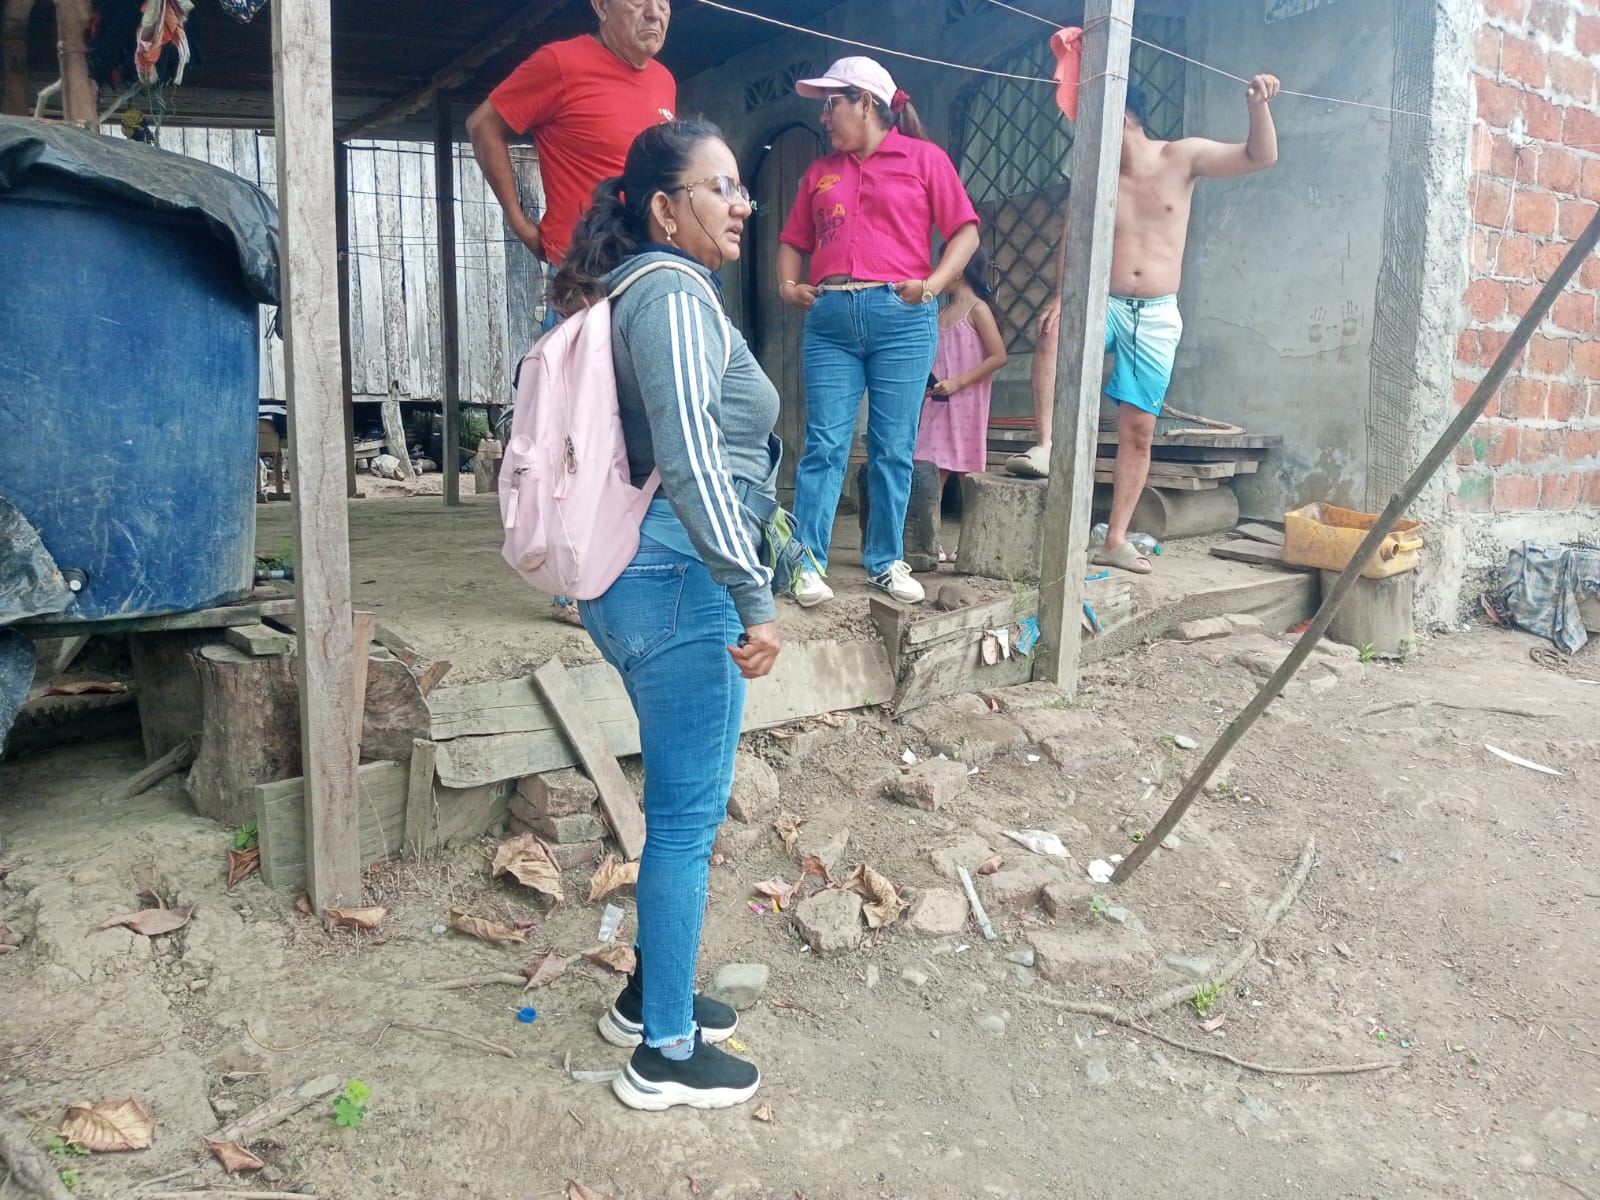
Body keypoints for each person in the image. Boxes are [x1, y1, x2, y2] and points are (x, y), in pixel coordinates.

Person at [550, 119, 778, 1112]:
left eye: (740, 187)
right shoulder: (674, 297)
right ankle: (666, 1056)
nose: (741, 204)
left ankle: (652, 996)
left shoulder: (633, 291)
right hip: (681, 579)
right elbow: (692, 462)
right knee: (685, 822)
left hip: (642, 573)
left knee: (677, 813)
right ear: (662, 208)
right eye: (718, 187)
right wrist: (753, 592)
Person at [1005, 77, 1280, 574]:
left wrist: (1257, 106)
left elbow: (1259, 156)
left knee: (1139, 431)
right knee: (1052, 334)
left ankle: (1114, 539)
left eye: (1091, 121)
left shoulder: (1181, 156)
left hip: (1155, 312)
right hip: (1102, 300)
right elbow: (1072, 235)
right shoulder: (1094, 177)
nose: (1083, 135)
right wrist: (1063, 294)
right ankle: (1045, 445)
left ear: (1121, 115)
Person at [467, 0, 676, 625]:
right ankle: (570, 582)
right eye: (638, 0)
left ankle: (621, 566)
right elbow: (484, 123)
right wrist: (519, 219)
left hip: (647, 283)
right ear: (602, 5)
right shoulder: (561, 64)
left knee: (641, 432)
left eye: (664, 2)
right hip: (584, 284)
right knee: (576, 437)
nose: (655, 12)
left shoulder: (664, 82)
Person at [776, 56, 980, 607]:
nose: (824, 116)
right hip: (830, 320)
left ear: (865, 102)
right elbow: (793, 239)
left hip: (902, 318)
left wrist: (933, 285)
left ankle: (885, 560)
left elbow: (964, 232)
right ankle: (806, 563)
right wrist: (788, 285)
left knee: (893, 447)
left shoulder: (924, 159)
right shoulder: (820, 172)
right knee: (824, 444)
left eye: (831, 104)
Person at [913, 246, 1009, 561]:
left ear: (961, 269)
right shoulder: (939, 313)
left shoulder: (978, 310)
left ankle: (973, 547)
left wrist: (959, 381)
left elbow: (998, 356)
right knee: (930, 470)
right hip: (938, 404)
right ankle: (930, 544)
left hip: (967, 405)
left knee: (969, 476)